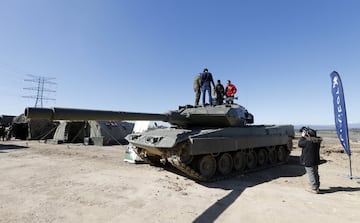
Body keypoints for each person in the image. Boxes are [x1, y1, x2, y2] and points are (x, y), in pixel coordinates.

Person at [298, 126, 322, 194]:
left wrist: (302, 136)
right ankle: (317, 186)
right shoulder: (316, 140)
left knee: (311, 174)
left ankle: (314, 188)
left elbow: (300, 144)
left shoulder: (308, 142)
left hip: (308, 160)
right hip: (315, 160)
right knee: (315, 173)